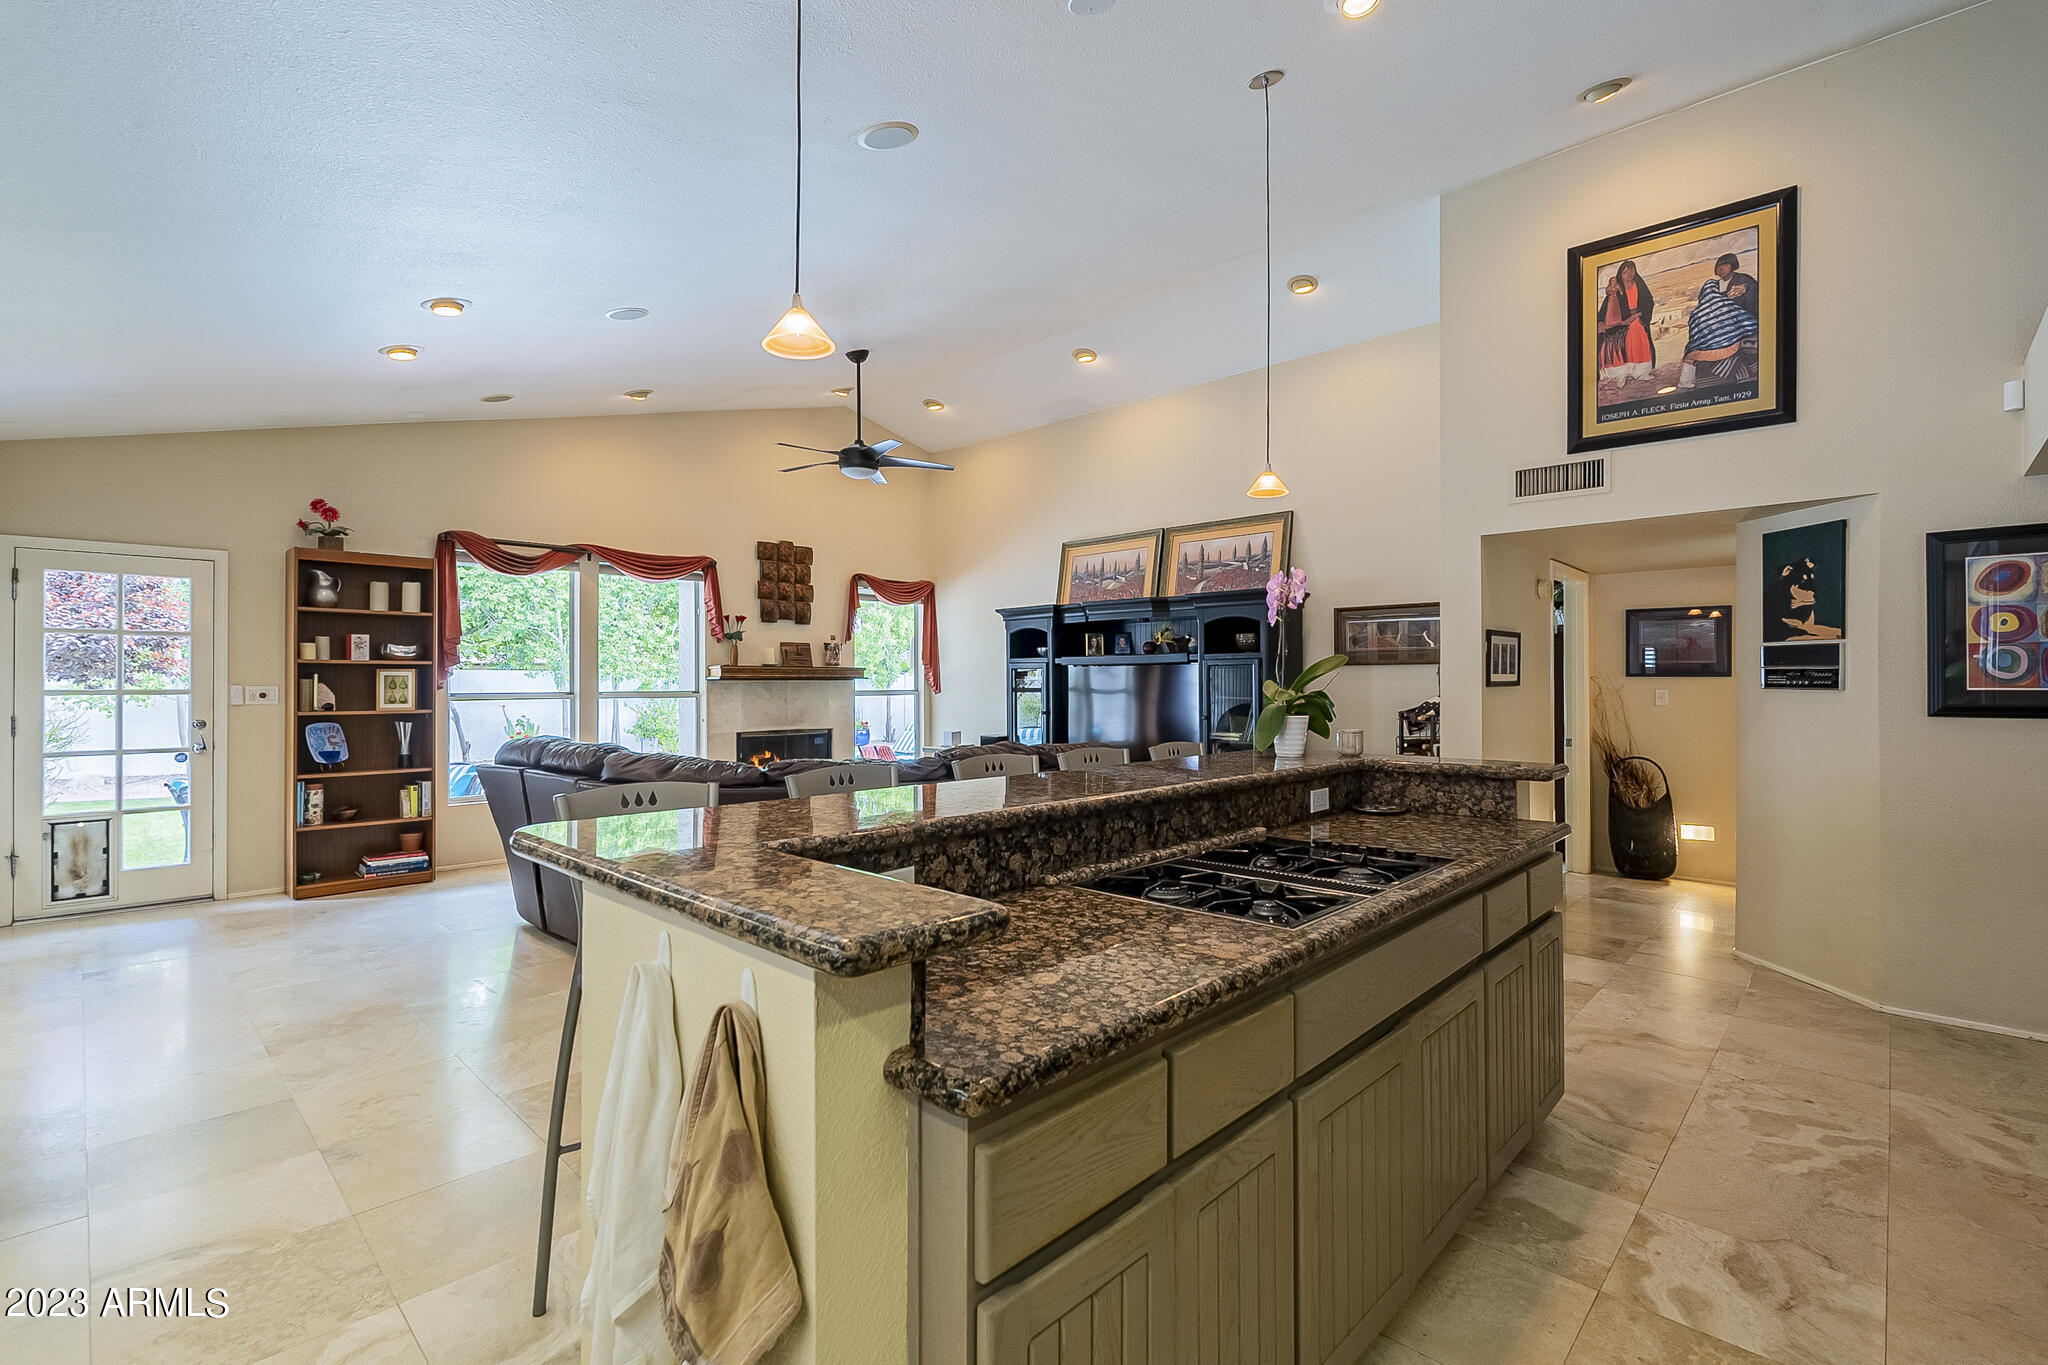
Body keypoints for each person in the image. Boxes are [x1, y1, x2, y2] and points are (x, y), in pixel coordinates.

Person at [1678, 274, 1760, 389]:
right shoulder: (1727, 303)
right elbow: (1748, 322)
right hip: (1732, 348)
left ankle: (1686, 384)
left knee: (1689, 357)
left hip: (1705, 354)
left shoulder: (1695, 313)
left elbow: (1694, 338)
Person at [1596, 258, 1656, 386]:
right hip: (1621, 323)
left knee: (1638, 331)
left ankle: (1641, 372)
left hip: (1638, 319)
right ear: (1620, 273)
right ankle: (1620, 374)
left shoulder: (1640, 285)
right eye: (1625, 272)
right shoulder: (1617, 288)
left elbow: (1648, 303)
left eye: (1631, 271)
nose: (1628, 274)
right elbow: (1608, 307)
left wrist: (1640, 315)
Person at [1714, 252, 1760, 320]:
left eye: (1726, 265)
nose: (1721, 269)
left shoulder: (1745, 280)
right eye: (1718, 266)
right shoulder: (1714, 285)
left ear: (1733, 266)